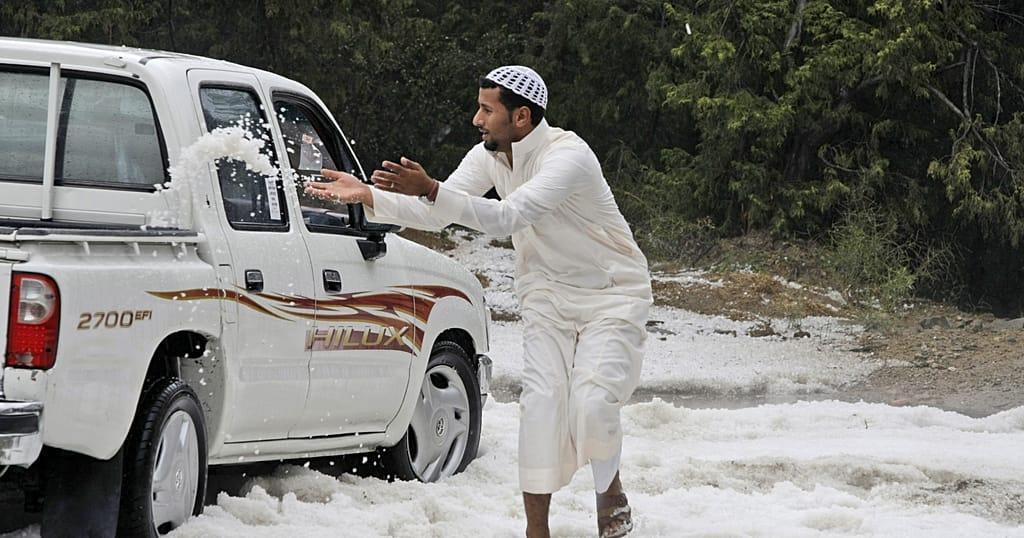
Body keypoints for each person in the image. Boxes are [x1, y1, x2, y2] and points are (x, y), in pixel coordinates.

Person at [306, 65, 652, 538]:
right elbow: (436, 213)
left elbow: (509, 216)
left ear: (521, 117)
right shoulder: (488, 156)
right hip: (546, 295)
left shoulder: (568, 156)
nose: (477, 119)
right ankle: (536, 532)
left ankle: (609, 490)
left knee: (591, 403)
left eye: (487, 110)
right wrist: (369, 196)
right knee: (541, 405)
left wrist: (432, 189)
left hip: (611, 294)